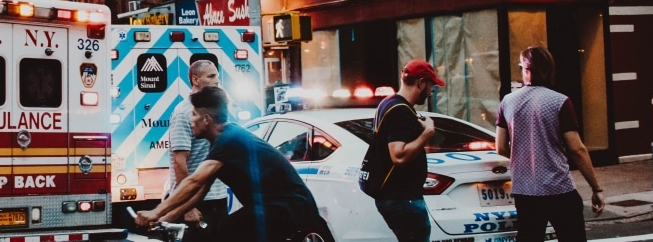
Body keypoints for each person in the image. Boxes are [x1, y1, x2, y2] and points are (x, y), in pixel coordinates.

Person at [134, 87, 334, 242]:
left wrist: (156, 211)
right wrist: (169, 216)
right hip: (284, 208)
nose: (190, 119)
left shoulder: (229, 139)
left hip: (287, 208)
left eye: (194, 115)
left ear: (206, 119)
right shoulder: (224, 139)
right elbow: (202, 189)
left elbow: (194, 181)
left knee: (227, 230)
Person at [496, 46, 605, 242]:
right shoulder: (559, 102)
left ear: (526, 70)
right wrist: (596, 188)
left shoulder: (507, 102)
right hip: (558, 188)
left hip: (525, 190)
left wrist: (524, 154)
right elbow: (577, 149)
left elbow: (501, 147)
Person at [371, 59, 442, 242]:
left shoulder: (388, 104)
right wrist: (427, 133)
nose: (431, 92)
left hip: (398, 197)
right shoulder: (400, 111)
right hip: (402, 198)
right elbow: (398, 155)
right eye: (431, 86)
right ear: (421, 82)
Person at [162, 59, 228, 241]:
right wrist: (187, 207)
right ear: (195, 80)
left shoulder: (215, 111)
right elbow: (179, 161)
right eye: (211, 76)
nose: (217, 80)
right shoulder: (184, 113)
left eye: (217, 76)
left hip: (217, 197)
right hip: (197, 202)